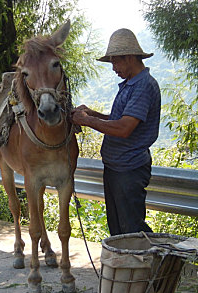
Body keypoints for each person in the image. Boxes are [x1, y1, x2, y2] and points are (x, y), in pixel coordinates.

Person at [71, 28, 161, 236]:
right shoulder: (131, 85)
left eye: (115, 62)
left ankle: (144, 266)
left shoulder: (143, 86)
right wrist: (93, 114)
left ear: (129, 58)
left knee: (131, 230)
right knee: (118, 229)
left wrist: (88, 120)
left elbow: (123, 129)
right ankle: (127, 267)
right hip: (117, 167)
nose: (113, 68)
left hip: (129, 169)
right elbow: (119, 120)